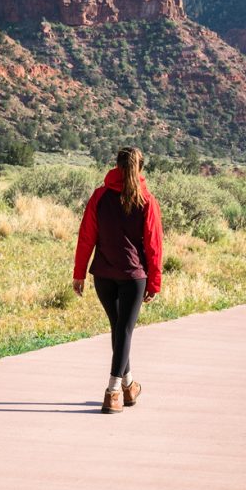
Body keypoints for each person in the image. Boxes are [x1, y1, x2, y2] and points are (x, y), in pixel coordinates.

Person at [72, 146, 163, 414]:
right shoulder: (147, 201)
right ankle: (113, 391)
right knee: (123, 331)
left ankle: (129, 386)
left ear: (116, 167)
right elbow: (154, 246)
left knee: (119, 330)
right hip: (134, 277)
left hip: (103, 275)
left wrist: (79, 273)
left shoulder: (100, 196)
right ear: (140, 168)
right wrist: (154, 281)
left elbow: (86, 236)